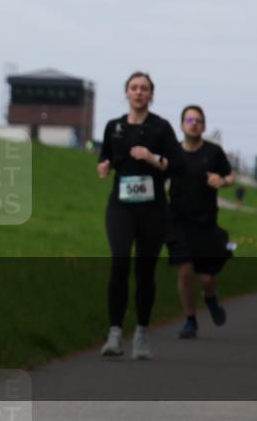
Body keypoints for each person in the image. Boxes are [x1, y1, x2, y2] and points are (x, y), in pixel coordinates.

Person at [97, 72, 184, 360]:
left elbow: (178, 165)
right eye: (134, 88)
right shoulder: (114, 126)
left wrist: (152, 158)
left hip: (153, 208)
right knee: (120, 261)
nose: (138, 92)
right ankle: (114, 333)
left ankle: (142, 334)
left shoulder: (161, 127)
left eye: (144, 88)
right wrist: (104, 166)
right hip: (121, 206)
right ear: (126, 93)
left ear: (151, 95)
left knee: (145, 270)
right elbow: (105, 156)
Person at [166, 105, 234, 339]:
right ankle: (190, 320)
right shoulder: (173, 153)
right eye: (189, 119)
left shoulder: (214, 152)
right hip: (177, 221)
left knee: (206, 278)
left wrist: (222, 181)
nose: (193, 123)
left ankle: (211, 299)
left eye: (198, 120)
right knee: (185, 271)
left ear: (203, 126)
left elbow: (231, 176)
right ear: (182, 124)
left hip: (205, 223)